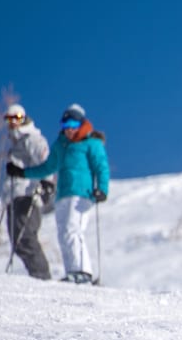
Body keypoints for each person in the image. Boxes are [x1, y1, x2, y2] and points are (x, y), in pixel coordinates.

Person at [7, 103, 109, 284]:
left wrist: (102, 189)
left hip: (82, 193)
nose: (69, 129)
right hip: (62, 195)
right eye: (65, 125)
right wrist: (22, 173)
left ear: (81, 124)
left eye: (73, 125)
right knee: (63, 234)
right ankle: (73, 272)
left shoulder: (91, 143)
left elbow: (101, 167)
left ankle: (83, 272)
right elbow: (47, 167)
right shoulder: (61, 146)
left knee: (73, 230)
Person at [4, 103, 56, 280]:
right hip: (15, 196)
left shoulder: (32, 138)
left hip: (28, 195)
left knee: (25, 237)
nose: (13, 122)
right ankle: (37, 276)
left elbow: (46, 161)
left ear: (24, 118)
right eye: (9, 119)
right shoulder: (16, 144)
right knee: (17, 240)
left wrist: (47, 183)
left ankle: (42, 276)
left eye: (17, 118)